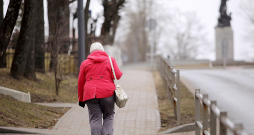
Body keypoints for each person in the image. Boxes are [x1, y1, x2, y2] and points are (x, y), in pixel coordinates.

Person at [78, 42, 123, 135]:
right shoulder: (111, 60)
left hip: (90, 94)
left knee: (95, 118)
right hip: (108, 93)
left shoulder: (85, 63)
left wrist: (81, 100)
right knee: (109, 116)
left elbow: (80, 82)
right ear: (102, 50)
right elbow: (118, 76)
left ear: (91, 52)